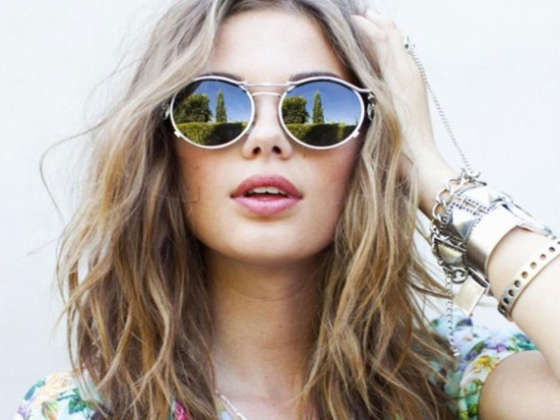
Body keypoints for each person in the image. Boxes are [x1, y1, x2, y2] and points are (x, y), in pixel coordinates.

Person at [13, 0, 560, 419]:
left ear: (370, 147)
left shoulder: (448, 381)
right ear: (165, 150)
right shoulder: (81, 411)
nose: (267, 137)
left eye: (319, 108)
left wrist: (425, 165)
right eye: (215, 107)